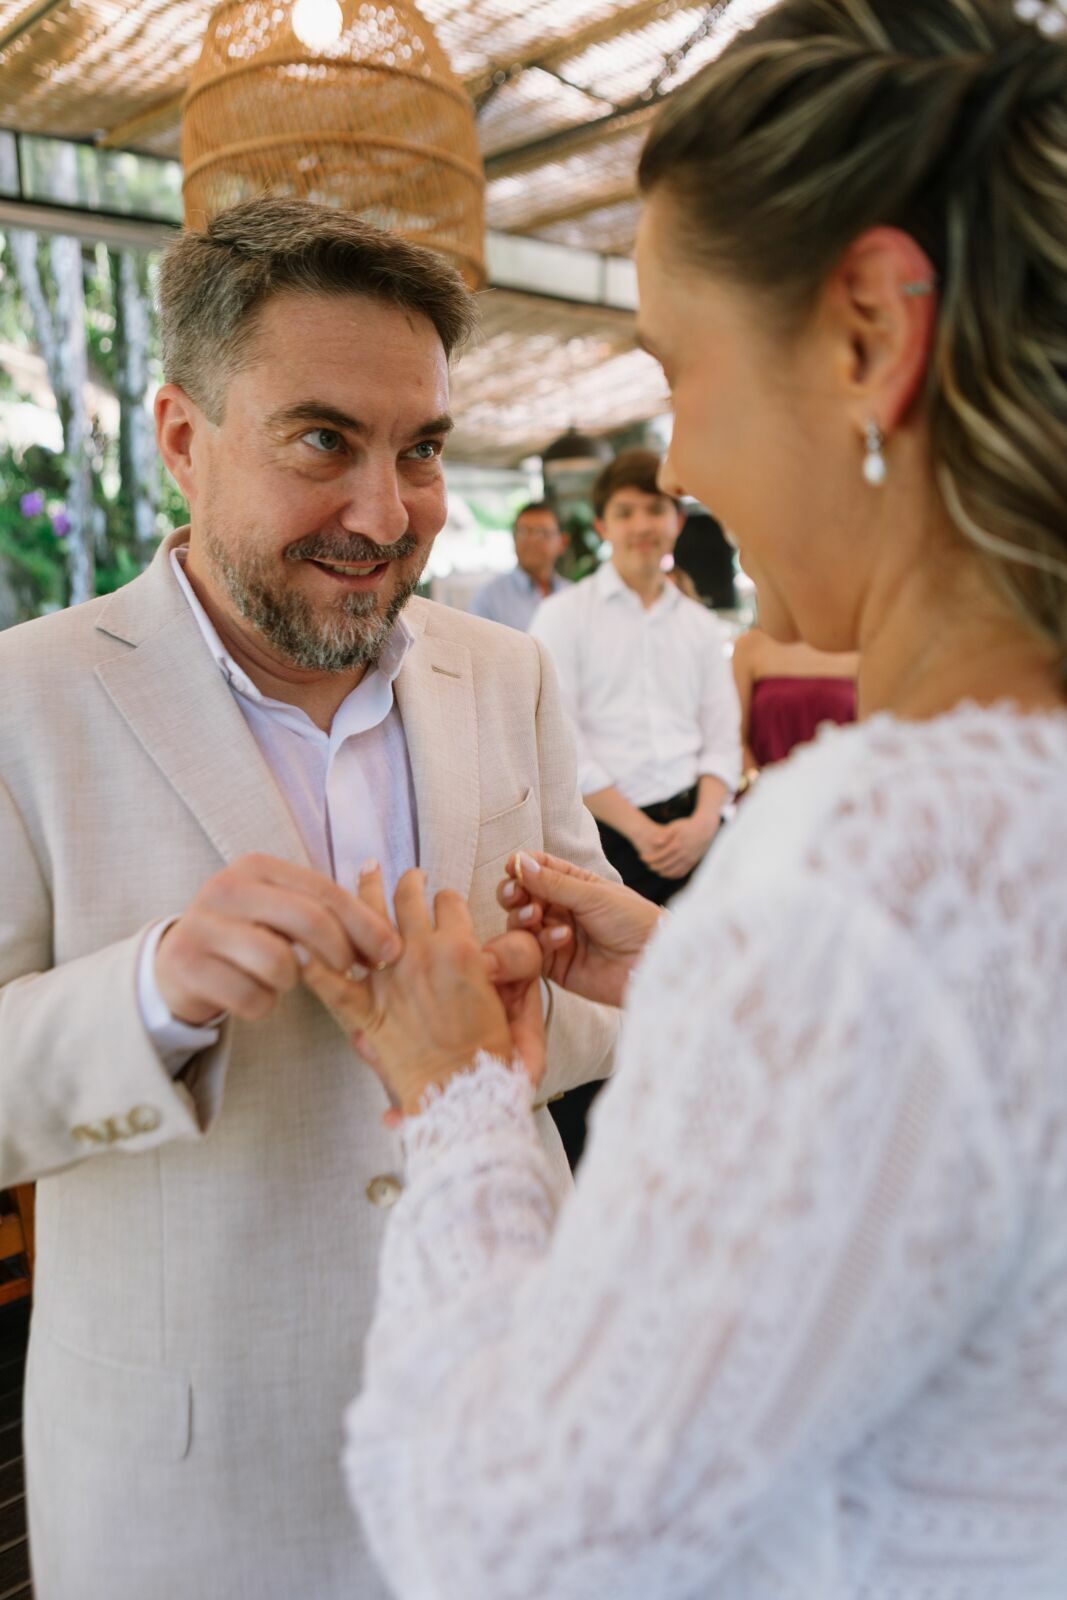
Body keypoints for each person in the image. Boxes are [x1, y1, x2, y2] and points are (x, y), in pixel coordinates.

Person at [319, 3, 1067, 1595]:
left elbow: (515, 1539)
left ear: (864, 337)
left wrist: (458, 1104)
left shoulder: (868, 869)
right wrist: (688, 975)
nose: (678, 465)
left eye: (679, 370)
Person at [0, 198, 618, 1600]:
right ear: (181, 438)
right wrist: (149, 995)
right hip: (192, 1481)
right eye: (323, 440)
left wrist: (519, 1005)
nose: (386, 515)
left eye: (421, 448)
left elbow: (586, 1007)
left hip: (508, 1431)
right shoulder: (25, 698)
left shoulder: (506, 675)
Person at [531, 448, 741, 907]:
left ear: (677, 521)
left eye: (655, 509)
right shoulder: (562, 616)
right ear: (602, 526)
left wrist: (704, 823)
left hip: (700, 828)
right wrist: (641, 831)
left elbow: (722, 738)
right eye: (625, 513)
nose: (642, 525)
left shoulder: (701, 624)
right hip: (605, 834)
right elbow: (560, 741)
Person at [731, 624, 858, 781]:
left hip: (845, 788)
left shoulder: (859, 645)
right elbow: (734, 739)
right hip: (767, 789)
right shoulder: (750, 646)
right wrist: (759, 786)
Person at [468, 500, 569, 630]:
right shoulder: (489, 598)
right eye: (523, 531)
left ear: (562, 542)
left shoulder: (573, 595)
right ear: (513, 539)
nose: (532, 540)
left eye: (542, 532)